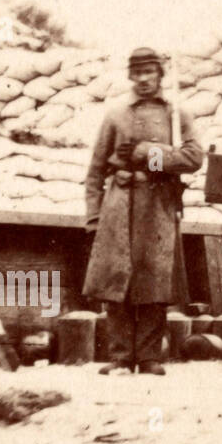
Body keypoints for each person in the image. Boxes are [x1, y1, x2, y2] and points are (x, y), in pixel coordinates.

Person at [83, 47, 203, 375]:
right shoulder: (115, 114)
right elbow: (95, 171)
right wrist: (93, 217)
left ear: (160, 74)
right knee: (116, 279)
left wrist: (147, 153)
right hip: (119, 204)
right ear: (130, 76)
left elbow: (193, 158)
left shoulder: (177, 114)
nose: (143, 79)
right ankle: (121, 356)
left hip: (159, 202)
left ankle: (149, 356)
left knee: (155, 280)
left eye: (149, 72)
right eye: (137, 73)